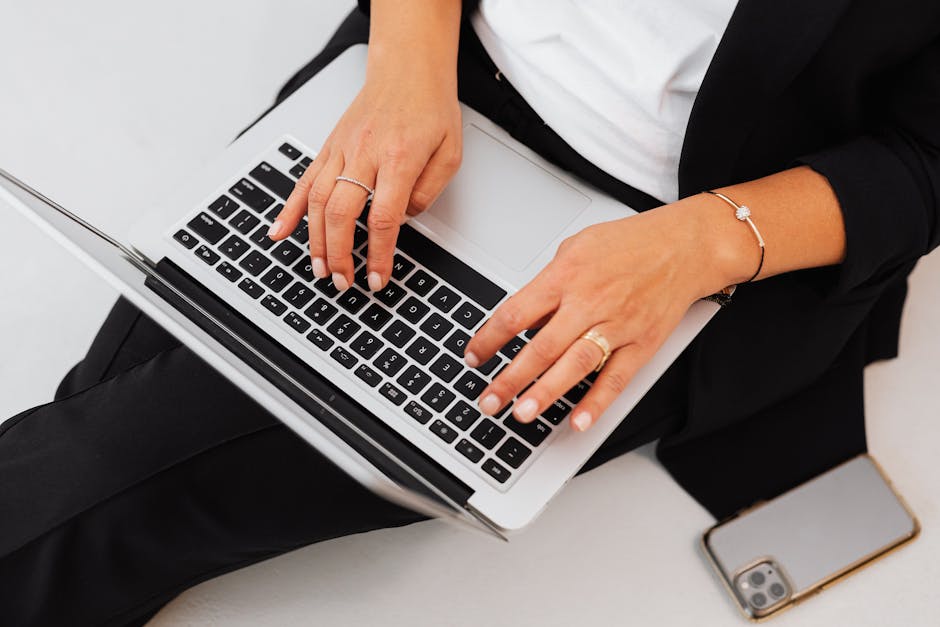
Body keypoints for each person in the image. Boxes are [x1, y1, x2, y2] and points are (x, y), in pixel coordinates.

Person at [1, 1, 938, 624]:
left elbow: (924, 160)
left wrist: (700, 245)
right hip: (432, 77)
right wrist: (406, 64)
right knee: (110, 443)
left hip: (679, 227)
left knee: (116, 466)